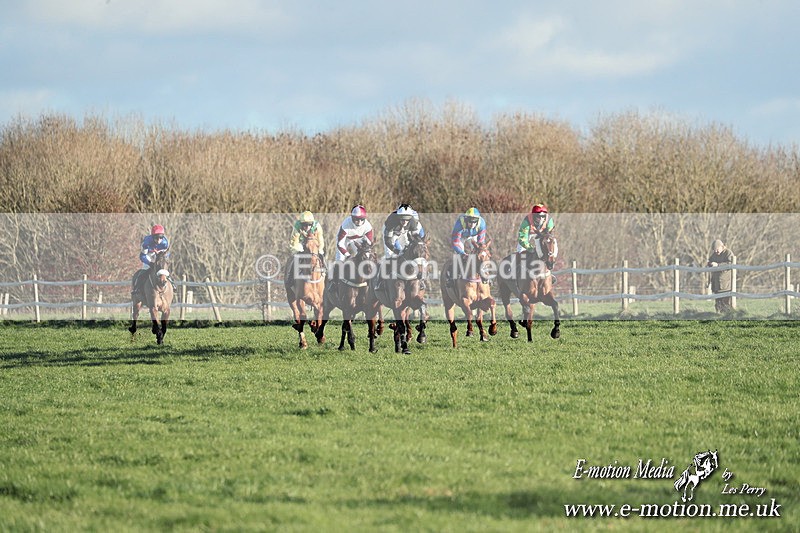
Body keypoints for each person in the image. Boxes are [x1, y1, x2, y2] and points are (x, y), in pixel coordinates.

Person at [447, 207, 487, 287]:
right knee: (458, 256)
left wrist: (479, 250)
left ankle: (485, 275)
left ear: (478, 221)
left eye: (474, 222)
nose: (472, 224)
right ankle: (451, 278)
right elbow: (455, 242)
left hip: (474, 237)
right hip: (461, 237)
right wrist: (462, 254)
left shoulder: (482, 223)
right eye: (470, 222)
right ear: (466, 219)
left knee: (481, 255)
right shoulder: (460, 224)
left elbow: (480, 243)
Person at [286, 211, 325, 290]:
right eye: (304, 225)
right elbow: (294, 242)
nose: (307, 227)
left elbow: (320, 241)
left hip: (313, 243)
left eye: (309, 224)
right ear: (301, 224)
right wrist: (300, 251)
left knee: (322, 255)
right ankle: (289, 278)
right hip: (301, 243)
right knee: (293, 258)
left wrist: (319, 250)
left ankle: (326, 274)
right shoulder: (297, 226)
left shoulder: (317, 226)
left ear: (312, 224)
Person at [132, 224, 170, 296]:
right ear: (152, 237)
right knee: (144, 269)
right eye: (156, 237)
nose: (159, 240)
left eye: (161, 237)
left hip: (159, 256)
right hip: (148, 255)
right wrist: (150, 263)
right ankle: (137, 287)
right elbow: (142, 256)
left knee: (164, 270)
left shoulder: (165, 243)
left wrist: (162, 260)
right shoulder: (146, 242)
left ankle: (172, 285)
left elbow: (167, 255)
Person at [707, 239, 734, 313]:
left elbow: (730, 264)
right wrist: (710, 263)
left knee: (725, 304)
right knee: (718, 304)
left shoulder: (728, 253)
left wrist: (718, 265)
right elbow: (709, 260)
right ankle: (718, 316)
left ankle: (727, 317)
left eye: (717, 249)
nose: (716, 251)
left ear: (722, 247)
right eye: (714, 250)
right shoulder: (715, 255)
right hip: (716, 284)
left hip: (725, 284)